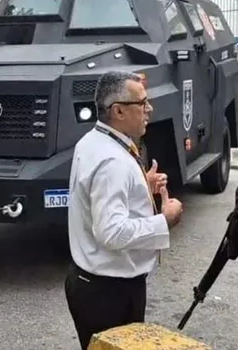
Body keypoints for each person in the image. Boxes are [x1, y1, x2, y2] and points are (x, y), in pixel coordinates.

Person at [64, 71, 184, 350]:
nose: (149, 109)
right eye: (142, 103)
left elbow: (95, 196)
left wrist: (143, 186)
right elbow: (111, 232)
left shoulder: (96, 140)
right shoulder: (112, 160)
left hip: (94, 284)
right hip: (109, 293)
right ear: (118, 110)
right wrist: (164, 220)